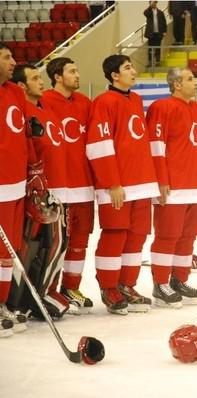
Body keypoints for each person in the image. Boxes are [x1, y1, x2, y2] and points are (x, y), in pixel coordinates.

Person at [86, 55, 159, 315]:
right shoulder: (104, 102)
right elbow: (99, 144)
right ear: (114, 75)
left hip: (142, 182)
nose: (134, 71)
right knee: (115, 234)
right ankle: (109, 287)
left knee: (137, 236)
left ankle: (127, 284)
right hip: (118, 186)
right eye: (128, 67)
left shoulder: (136, 100)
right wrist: (112, 183)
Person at [146, 67, 197, 308]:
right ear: (177, 85)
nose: (195, 82)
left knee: (188, 236)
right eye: (190, 79)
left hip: (194, 183)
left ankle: (179, 279)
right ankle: (160, 284)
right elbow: (156, 145)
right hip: (172, 184)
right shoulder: (163, 107)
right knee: (167, 236)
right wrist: (161, 180)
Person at [12, 64, 69, 319]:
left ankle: (42, 290)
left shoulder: (44, 109)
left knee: (56, 244)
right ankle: (24, 297)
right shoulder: (23, 112)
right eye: (35, 78)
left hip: (54, 188)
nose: (41, 82)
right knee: (31, 244)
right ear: (22, 85)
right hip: (33, 192)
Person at [41, 57, 95, 315]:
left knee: (80, 241)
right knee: (57, 243)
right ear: (57, 76)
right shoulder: (45, 101)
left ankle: (71, 287)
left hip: (84, 184)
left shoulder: (85, 103)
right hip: (58, 187)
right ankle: (49, 289)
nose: (77, 75)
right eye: (72, 71)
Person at [0, 44, 29, 336]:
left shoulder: (15, 92)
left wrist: (33, 169)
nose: (13, 62)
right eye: (7, 57)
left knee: (7, 251)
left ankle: (3, 301)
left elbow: (23, 134)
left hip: (16, 185)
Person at [144, 1, 167, 67]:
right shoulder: (148, 12)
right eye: (152, 3)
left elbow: (164, 22)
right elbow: (145, 13)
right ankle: (150, 62)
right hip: (151, 33)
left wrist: (164, 31)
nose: (154, 4)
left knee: (158, 48)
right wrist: (150, 6)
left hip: (158, 33)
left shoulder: (160, 12)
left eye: (155, 2)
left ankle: (157, 61)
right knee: (150, 48)